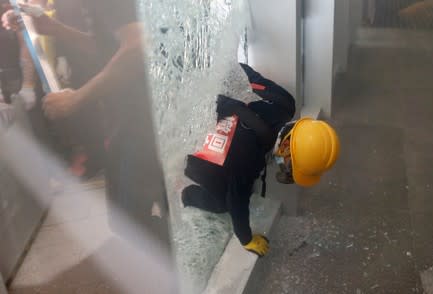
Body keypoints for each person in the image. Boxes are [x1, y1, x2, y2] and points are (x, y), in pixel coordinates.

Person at [2, 0, 170, 246]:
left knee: (129, 222)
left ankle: (183, 271)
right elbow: (112, 46)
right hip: (144, 112)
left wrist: (77, 98)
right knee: (158, 207)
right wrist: (55, 28)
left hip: (141, 117)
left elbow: (137, 47)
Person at [182, 63, 340, 257]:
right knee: (222, 203)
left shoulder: (285, 103)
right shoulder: (248, 158)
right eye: (291, 165)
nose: (287, 169)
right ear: (285, 147)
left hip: (196, 97)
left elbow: (244, 73)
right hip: (188, 143)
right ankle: (184, 193)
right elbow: (237, 202)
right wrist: (246, 239)